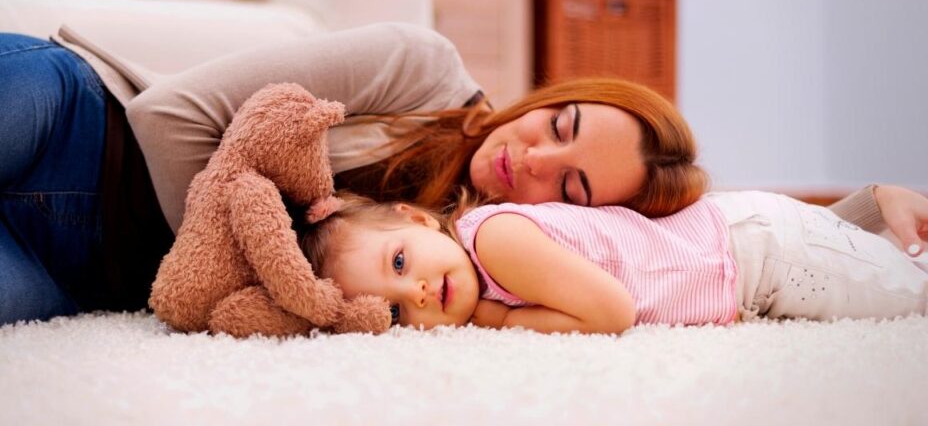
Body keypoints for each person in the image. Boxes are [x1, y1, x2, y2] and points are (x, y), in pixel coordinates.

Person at [0, 24, 922, 343]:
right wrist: (269, 227)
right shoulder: (417, 70)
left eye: (570, 191)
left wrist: (862, 208)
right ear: (547, 95)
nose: (532, 160)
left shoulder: (450, 267)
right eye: (556, 125)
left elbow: (708, 246)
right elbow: (169, 121)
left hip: (67, 271)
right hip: (72, 125)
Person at [299, 188, 928, 333]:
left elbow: (613, 311)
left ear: (416, 217)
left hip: (758, 250)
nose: (416, 295)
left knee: (910, 297)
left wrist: (497, 322)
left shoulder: (494, 241)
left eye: (401, 262)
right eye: (392, 309)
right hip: (748, 259)